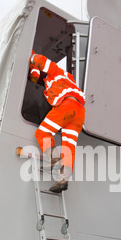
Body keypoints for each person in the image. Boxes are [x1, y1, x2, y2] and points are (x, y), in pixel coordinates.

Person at [29, 51, 85, 193]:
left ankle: (54, 158)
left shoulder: (54, 72)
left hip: (67, 106)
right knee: (69, 147)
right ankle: (63, 179)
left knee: (42, 133)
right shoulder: (68, 79)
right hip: (79, 112)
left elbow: (42, 61)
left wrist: (31, 55)